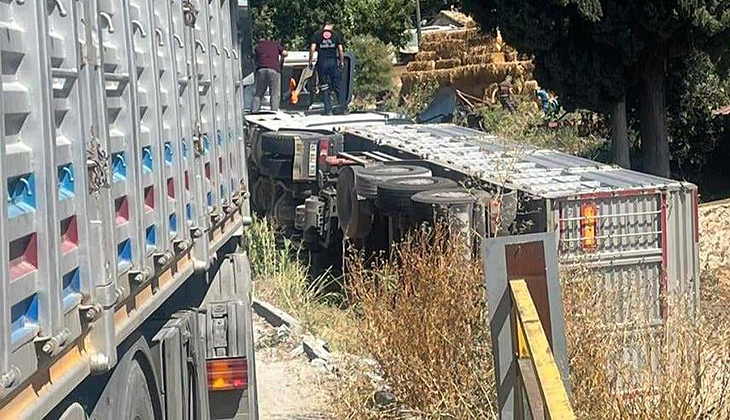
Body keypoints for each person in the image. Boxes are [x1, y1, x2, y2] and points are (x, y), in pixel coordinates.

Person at [308, 20, 347, 115]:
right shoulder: (336, 35)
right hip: (333, 62)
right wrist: (341, 61)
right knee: (337, 85)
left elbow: (312, 48)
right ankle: (343, 108)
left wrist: (310, 61)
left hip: (322, 63)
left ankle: (328, 110)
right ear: (331, 25)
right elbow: (340, 50)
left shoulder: (317, 34)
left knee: (324, 86)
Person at [252, 38, 287, 112]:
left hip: (261, 70)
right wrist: (281, 60)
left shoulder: (257, 47)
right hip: (274, 70)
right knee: (274, 93)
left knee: (258, 93)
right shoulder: (275, 44)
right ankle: (274, 111)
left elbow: (253, 59)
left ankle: (254, 110)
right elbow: (284, 53)